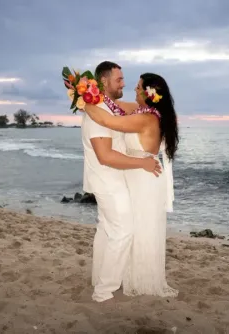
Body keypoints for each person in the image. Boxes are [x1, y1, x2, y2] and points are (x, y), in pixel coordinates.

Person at [82, 72, 179, 297]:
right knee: (132, 227)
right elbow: (113, 104)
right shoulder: (142, 111)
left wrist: (83, 102)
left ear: (149, 94)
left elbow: (108, 120)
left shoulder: (146, 118)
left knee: (141, 228)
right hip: (136, 174)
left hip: (144, 176)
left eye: (138, 87)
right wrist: (89, 94)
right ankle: (124, 276)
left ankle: (140, 280)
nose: (134, 90)